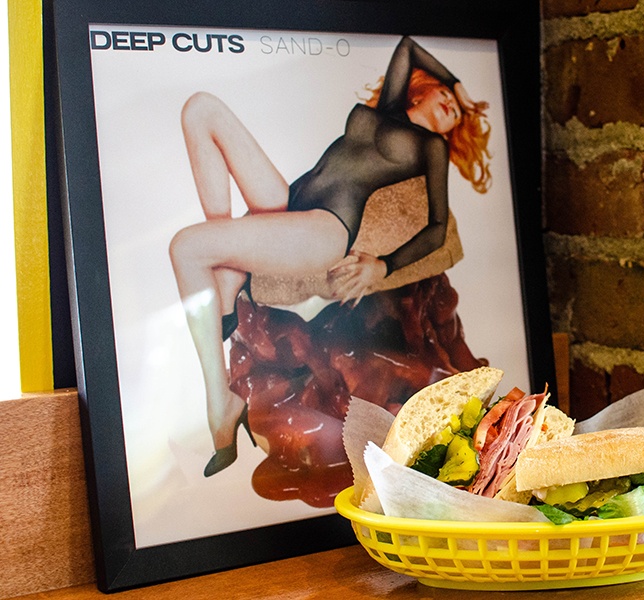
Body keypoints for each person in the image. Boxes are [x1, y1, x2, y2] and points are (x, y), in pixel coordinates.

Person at [168, 35, 492, 477]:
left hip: (324, 229)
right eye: (446, 100)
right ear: (424, 90)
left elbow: (435, 230)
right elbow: (407, 47)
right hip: (289, 204)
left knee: (186, 246)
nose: (453, 112)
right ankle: (226, 278)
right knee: (201, 107)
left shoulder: (428, 147)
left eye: (456, 118)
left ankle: (219, 402)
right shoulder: (388, 111)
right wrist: (459, 87)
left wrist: (383, 265)